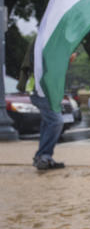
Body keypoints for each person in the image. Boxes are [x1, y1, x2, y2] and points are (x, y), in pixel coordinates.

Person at [18, 40, 65, 171]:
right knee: (56, 121)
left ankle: (44, 157)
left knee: (48, 122)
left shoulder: (47, 40)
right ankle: (43, 156)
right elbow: (42, 64)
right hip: (39, 89)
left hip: (45, 90)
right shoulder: (42, 40)